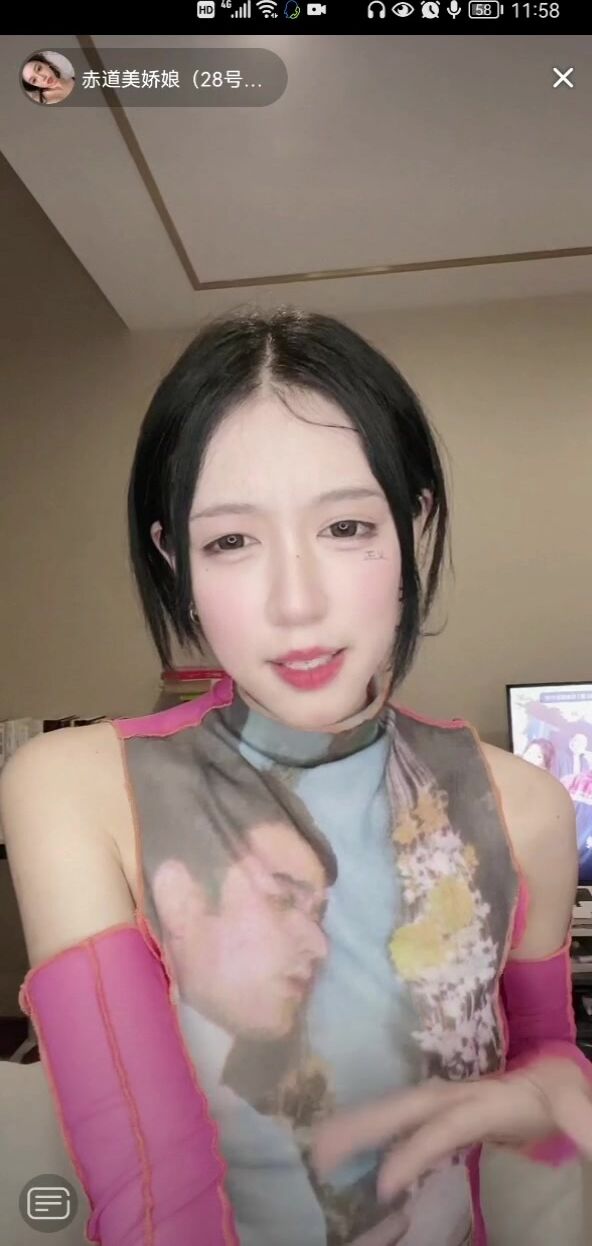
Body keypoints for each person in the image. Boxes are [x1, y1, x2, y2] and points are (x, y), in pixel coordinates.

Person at [2, 306, 592, 1246]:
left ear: (414, 524)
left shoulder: (525, 810)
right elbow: (150, 1189)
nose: (296, 602)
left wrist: (538, 1101)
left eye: (347, 526)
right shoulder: (76, 790)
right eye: (230, 542)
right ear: (175, 559)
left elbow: (549, 1063)